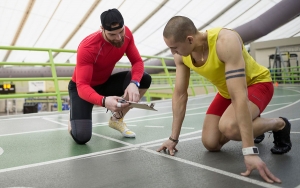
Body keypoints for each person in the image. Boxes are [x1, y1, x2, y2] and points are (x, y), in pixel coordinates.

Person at [157, 16, 292, 183]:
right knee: (211, 143)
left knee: (230, 128)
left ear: (189, 39)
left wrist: (249, 151)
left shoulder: (225, 41)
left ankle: (279, 124)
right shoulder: (181, 56)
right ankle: (251, 123)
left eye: (174, 48)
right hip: (226, 91)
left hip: (256, 84)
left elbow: (239, 94)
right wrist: (173, 138)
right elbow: (180, 94)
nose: (173, 53)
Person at [68, 8, 151, 144]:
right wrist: (104, 101)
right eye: (112, 34)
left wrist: (134, 83)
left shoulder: (127, 34)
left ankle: (117, 119)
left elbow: (137, 62)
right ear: (102, 29)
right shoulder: (87, 48)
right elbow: (82, 86)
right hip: (82, 89)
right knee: (81, 137)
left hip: (105, 83)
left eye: (121, 32)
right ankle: (74, 114)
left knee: (144, 78)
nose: (119, 38)